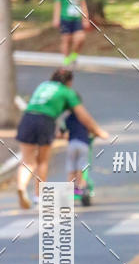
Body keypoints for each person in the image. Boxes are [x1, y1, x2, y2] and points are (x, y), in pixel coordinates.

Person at [15, 68, 108, 209]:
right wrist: (98, 131)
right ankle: (38, 196)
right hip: (45, 121)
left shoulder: (43, 86)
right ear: (69, 82)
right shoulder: (67, 92)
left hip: (27, 118)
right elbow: (83, 116)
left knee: (27, 161)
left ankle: (21, 187)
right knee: (42, 161)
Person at [52, 0, 89, 66]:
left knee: (80, 38)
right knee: (66, 40)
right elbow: (57, 6)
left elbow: (83, 4)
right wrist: (56, 18)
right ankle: (66, 59)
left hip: (76, 18)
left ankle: (74, 54)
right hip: (65, 18)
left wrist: (86, 18)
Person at [58, 109, 92, 199]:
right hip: (83, 144)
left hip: (72, 144)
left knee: (71, 167)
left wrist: (64, 136)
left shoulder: (67, 119)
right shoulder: (84, 117)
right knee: (82, 166)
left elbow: (60, 133)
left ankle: (70, 189)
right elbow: (91, 128)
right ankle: (81, 186)